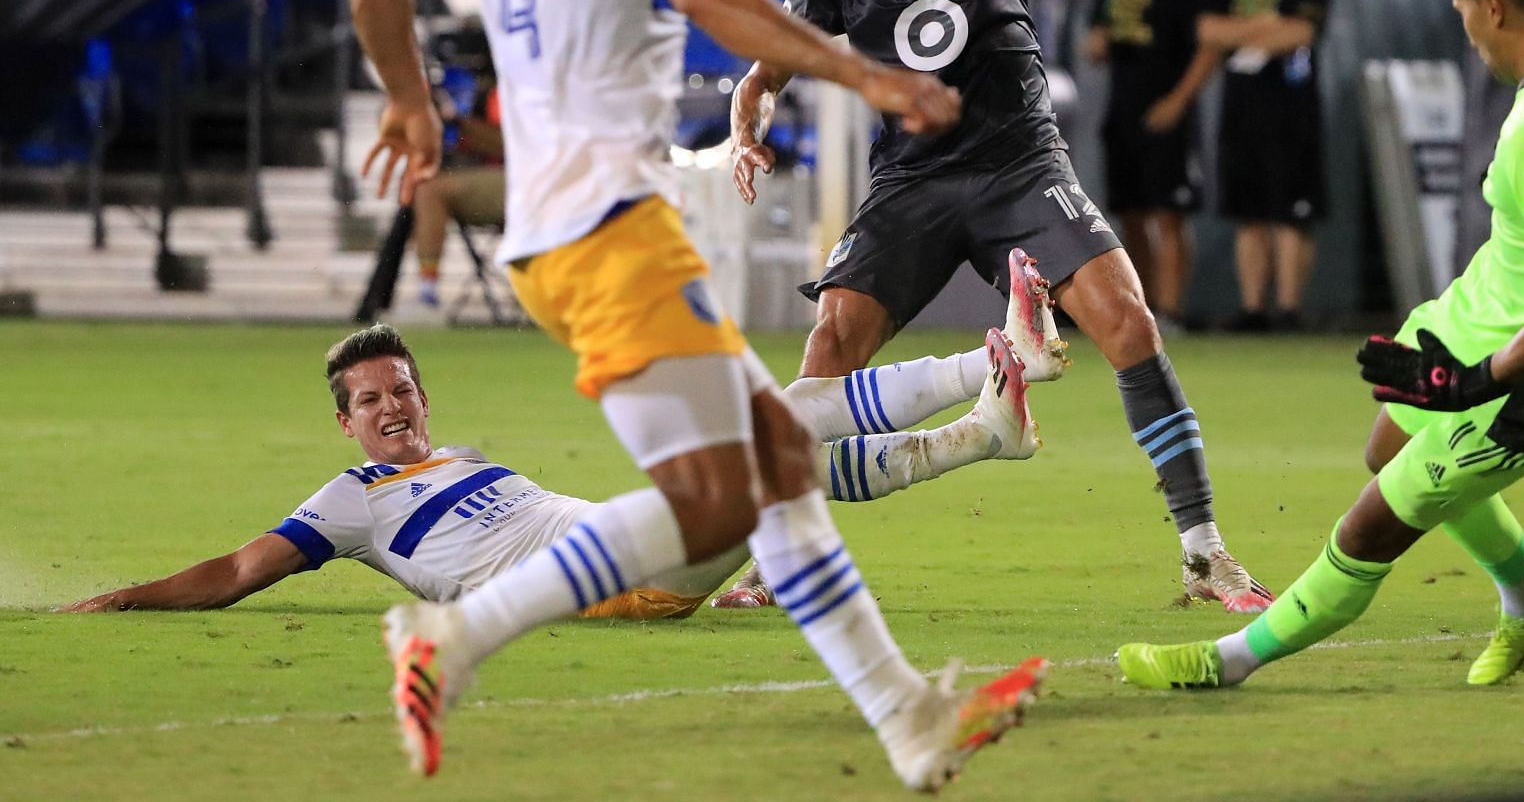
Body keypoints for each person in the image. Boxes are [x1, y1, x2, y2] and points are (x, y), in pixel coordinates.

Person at [342, 0, 1042, 789]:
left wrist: (411, 105)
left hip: (556, 234)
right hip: (610, 233)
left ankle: (911, 719)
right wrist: (865, 74)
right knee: (722, 491)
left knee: (773, 463)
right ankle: (450, 637)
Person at [723, 0, 1274, 615]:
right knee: (830, 347)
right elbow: (766, 70)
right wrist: (745, 117)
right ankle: (775, 559)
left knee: (1128, 320)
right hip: (912, 179)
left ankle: (1206, 553)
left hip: (1021, 163)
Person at [1115, 0, 1524, 691]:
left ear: (1495, 8)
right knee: (1389, 446)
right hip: (1478, 318)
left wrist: (1475, 385)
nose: (1468, 32)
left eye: (1463, 14)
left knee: (1371, 523)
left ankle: (1226, 662)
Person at [60, 310, 1052, 617]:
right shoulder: (352, 502)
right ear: (346, 425)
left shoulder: (466, 461)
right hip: (611, 584)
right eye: (370, 399)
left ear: (424, 396)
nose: (393, 406)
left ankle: (983, 425)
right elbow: (237, 572)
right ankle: (989, 367)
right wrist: (116, 602)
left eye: (402, 387)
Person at [1158, 0, 1330, 332]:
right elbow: (1207, 32)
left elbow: (1297, 34)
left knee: (1291, 215)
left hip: (1293, 114)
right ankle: (1254, 309)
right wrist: (1265, 26)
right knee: (1249, 215)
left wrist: (1242, 31)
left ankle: (1289, 309)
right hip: (1241, 113)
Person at [1082, 0, 1205, 328]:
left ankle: (1172, 309)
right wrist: (1097, 44)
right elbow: (1095, 40)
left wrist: (1178, 101)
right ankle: (1143, 306)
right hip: (1123, 113)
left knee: (1168, 214)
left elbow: (1204, 50)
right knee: (1131, 213)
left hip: (1167, 112)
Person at [413, 69, 506, 309]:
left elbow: (506, 147)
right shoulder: (452, 81)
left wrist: (456, 118)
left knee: (432, 189)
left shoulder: (507, 89)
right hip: (481, 175)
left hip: (522, 180)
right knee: (426, 187)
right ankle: (427, 285)